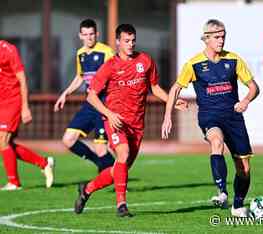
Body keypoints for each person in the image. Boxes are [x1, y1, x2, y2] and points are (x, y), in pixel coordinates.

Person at [73, 24, 187, 217]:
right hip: (115, 121)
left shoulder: (145, 60)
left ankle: (87, 190)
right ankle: (121, 205)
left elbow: (155, 87)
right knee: (123, 154)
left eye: (133, 40)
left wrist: (172, 100)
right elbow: (91, 96)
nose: (130, 44)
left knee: (120, 167)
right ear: (118, 41)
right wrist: (109, 114)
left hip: (137, 125)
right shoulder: (109, 66)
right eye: (126, 41)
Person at [161, 19, 259, 217]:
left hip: (234, 117)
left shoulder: (234, 60)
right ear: (206, 39)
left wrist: (247, 100)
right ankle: (222, 192)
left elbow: (254, 87)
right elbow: (175, 89)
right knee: (217, 142)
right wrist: (167, 117)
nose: (221, 40)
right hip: (209, 116)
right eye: (216, 37)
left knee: (244, 168)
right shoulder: (194, 64)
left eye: (223, 36)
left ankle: (238, 206)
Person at [54, 19, 115, 172]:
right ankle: (100, 164)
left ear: (97, 34)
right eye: (85, 34)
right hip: (89, 105)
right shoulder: (80, 54)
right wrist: (65, 93)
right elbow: (80, 77)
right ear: (80, 36)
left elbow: (115, 76)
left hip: (104, 105)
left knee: (101, 148)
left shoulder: (106, 52)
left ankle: (118, 179)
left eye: (91, 34)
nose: (89, 38)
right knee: (68, 140)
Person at [0, 40, 54, 191]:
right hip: (1, 101)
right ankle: (44, 163)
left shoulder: (8, 49)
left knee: (2, 140)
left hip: (13, 100)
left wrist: (25, 107)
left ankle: (14, 183)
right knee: (5, 144)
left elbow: (22, 79)